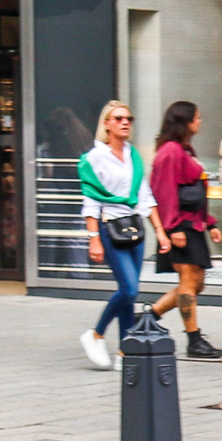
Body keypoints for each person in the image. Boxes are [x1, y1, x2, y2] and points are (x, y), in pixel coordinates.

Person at [78, 100, 167, 370]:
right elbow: (91, 202)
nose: (125, 122)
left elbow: (145, 196)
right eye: (118, 118)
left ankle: (126, 352)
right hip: (109, 227)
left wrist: (160, 231)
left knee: (128, 294)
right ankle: (95, 334)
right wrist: (93, 238)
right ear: (106, 124)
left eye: (128, 118)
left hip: (134, 227)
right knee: (130, 289)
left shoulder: (133, 155)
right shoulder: (93, 159)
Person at [146, 101, 222, 360]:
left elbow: (195, 192)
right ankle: (194, 340)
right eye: (198, 117)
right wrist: (173, 227)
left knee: (195, 284)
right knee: (189, 283)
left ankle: (149, 317)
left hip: (193, 225)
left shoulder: (184, 149)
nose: (200, 121)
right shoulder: (170, 152)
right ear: (186, 121)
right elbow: (164, 191)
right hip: (182, 226)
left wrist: (210, 222)